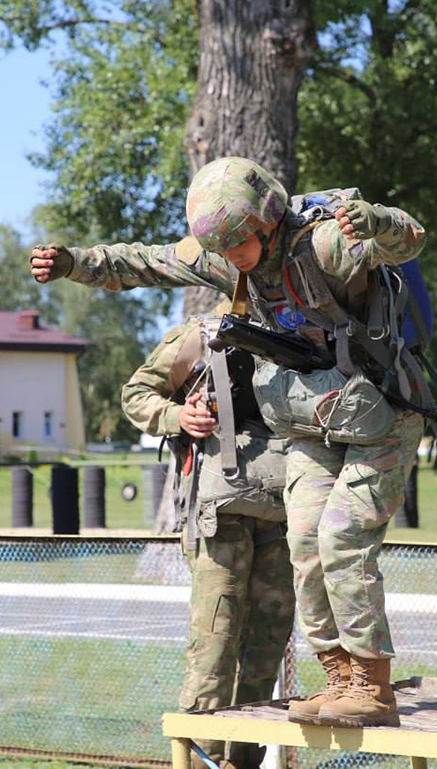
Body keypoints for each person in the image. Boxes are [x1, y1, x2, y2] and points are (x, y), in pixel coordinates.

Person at [32, 157, 428, 728]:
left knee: (343, 538)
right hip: (313, 423)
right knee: (305, 544)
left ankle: (372, 685)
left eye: (241, 244)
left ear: (269, 222)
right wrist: (75, 263)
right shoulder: (222, 257)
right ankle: (339, 679)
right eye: (221, 248)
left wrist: (374, 222)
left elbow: (409, 239)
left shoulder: (324, 246)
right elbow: (144, 261)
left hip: (383, 417)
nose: (231, 257)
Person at [122, 311, 294, 768]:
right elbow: (135, 394)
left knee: (266, 647)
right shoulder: (203, 335)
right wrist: (178, 415)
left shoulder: (305, 326)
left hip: (282, 514)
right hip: (220, 516)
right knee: (215, 648)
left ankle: (241, 762)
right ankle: (201, 763)